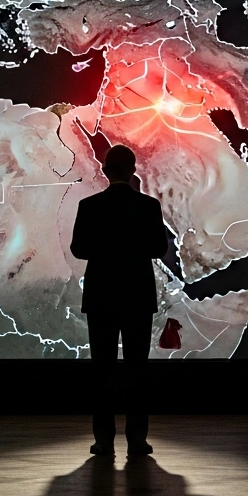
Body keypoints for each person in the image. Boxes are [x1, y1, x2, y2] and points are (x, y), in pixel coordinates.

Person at [70, 145, 170, 456]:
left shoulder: (89, 206)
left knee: (103, 372)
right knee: (136, 371)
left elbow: (78, 249)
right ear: (133, 170)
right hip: (137, 296)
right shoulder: (148, 206)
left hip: (101, 296)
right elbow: (158, 249)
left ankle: (103, 441)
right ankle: (137, 440)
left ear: (104, 170)